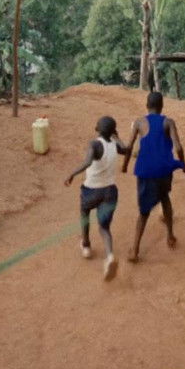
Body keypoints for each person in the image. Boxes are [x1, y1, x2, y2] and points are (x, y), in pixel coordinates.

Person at [120, 91, 185, 262]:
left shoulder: (139, 122)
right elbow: (178, 147)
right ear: (162, 106)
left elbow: (129, 147)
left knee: (144, 212)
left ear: (147, 106)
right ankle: (170, 235)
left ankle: (135, 250)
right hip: (164, 169)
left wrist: (125, 165)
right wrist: (183, 165)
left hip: (146, 170)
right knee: (165, 198)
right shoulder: (168, 122)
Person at [64, 115, 130, 281]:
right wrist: (117, 137)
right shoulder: (114, 144)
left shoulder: (94, 144)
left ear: (97, 129)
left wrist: (72, 174)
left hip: (91, 191)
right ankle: (110, 256)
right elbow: (126, 150)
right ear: (113, 131)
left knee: (85, 214)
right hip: (110, 192)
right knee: (104, 227)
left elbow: (87, 162)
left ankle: (86, 246)